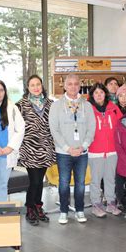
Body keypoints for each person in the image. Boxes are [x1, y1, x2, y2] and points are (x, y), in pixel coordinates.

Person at [49, 74, 95, 224]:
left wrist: (84, 146)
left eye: (76, 84)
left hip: (82, 151)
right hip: (64, 152)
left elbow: (91, 128)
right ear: (65, 86)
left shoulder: (86, 105)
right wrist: (68, 148)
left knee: (81, 183)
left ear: (80, 86)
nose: (73, 87)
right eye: (70, 84)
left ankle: (80, 210)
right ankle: (64, 211)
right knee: (63, 182)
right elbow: (54, 130)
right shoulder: (56, 106)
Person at [16, 75, 55, 226]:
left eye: (38, 84)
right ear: (28, 87)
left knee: (41, 180)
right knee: (35, 180)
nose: (36, 87)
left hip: (46, 148)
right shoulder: (21, 105)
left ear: (42, 86)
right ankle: (30, 208)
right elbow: (16, 127)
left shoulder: (50, 104)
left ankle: (38, 207)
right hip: (29, 148)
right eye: (32, 85)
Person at [88, 83, 123, 218]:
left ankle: (111, 203)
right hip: (95, 151)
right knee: (96, 180)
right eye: (96, 93)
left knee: (110, 178)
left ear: (105, 94)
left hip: (112, 151)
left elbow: (121, 127)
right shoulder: (88, 109)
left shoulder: (113, 108)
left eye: (101, 92)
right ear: (92, 95)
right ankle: (96, 205)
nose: (99, 95)